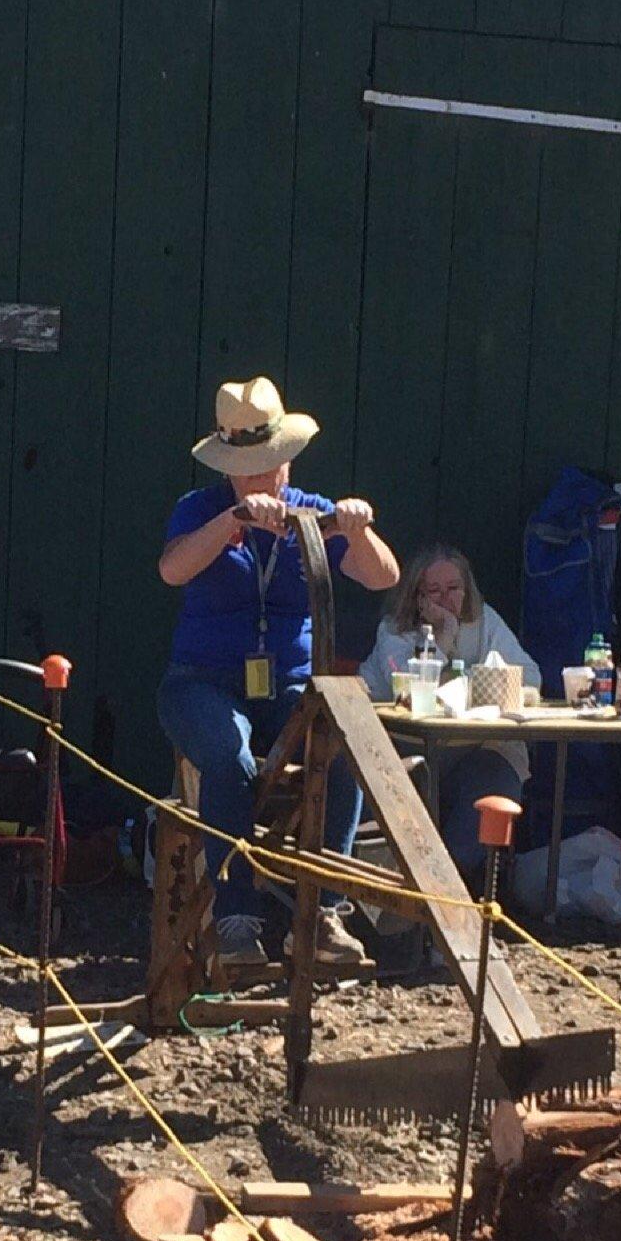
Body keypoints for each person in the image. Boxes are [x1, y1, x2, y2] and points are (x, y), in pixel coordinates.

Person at [157, 377, 399, 973]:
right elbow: (173, 570)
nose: (261, 477)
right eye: (246, 468)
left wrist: (357, 528)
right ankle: (237, 919)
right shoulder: (199, 510)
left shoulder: (313, 514)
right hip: (202, 681)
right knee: (227, 753)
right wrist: (232, 523)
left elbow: (384, 577)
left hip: (288, 683)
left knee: (341, 743)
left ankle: (321, 915)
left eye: (269, 464)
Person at [360, 543, 539, 873]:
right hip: (402, 749)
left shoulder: (485, 622)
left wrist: (475, 686)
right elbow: (410, 689)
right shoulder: (394, 630)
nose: (446, 599)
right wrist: (443, 636)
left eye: (454, 588)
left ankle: (454, 881)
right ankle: (409, 889)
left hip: (472, 747)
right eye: (434, 590)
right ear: (417, 596)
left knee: (497, 767)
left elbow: (530, 676)